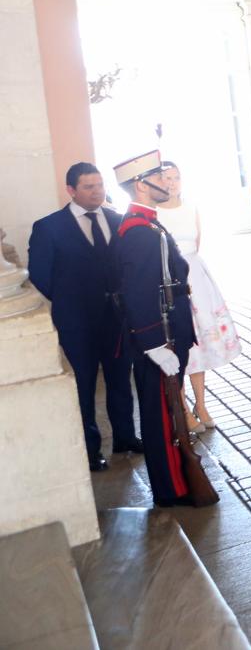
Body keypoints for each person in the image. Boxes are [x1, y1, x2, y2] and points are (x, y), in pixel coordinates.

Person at [28, 162, 139, 471]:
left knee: (120, 380)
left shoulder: (118, 221)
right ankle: (90, 451)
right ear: (71, 190)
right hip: (77, 323)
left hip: (116, 319)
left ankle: (125, 437)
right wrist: (71, 303)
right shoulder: (49, 227)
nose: (97, 192)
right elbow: (40, 275)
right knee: (84, 386)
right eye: (89, 187)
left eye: (100, 185)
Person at [111, 149, 199, 507]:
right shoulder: (138, 231)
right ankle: (171, 488)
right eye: (159, 177)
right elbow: (136, 292)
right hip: (158, 337)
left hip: (168, 331)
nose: (167, 182)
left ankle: (175, 481)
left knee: (166, 413)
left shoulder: (148, 224)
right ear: (140, 184)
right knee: (161, 416)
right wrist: (153, 345)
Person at [156, 162, 241, 433]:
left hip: (196, 277)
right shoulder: (155, 213)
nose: (172, 183)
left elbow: (196, 244)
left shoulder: (192, 208)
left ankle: (201, 404)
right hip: (172, 281)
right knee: (180, 344)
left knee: (199, 344)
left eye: (176, 177)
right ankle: (181, 405)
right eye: (166, 178)